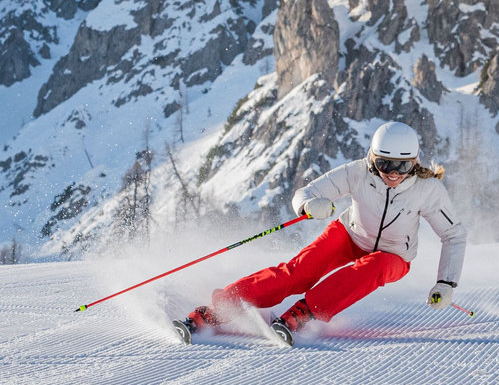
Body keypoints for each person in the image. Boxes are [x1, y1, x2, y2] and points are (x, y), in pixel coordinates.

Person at [172, 121, 467, 345]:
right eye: (384, 164)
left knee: (370, 268)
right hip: (350, 234)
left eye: (402, 165)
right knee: (299, 272)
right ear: (372, 158)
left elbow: (453, 235)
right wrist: (310, 204)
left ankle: (304, 313)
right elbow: (305, 193)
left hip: (394, 255)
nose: (393, 173)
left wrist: (446, 282)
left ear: (414, 163)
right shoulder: (357, 172)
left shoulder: (428, 190)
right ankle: (220, 308)